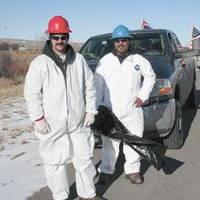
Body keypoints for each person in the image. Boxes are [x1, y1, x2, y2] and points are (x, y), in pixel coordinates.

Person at [24, 16, 100, 200]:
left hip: (78, 121)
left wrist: (91, 109)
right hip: (52, 123)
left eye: (63, 37)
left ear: (68, 37)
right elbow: (31, 92)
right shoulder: (40, 63)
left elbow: (89, 86)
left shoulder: (79, 60)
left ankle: (88, 194)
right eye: (56, 37)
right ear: (49, 37)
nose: (59, 41)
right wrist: (38, 118)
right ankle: (60, 196)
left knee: (84, 160)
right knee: (54, 163)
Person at [94, 25, 156, 185]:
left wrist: (143, 96)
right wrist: (98, 106)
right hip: (110, 110)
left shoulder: (138, 60)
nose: (120, 43)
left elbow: (150, 77)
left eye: (124, 40)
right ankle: (106, 171)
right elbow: (98, 84)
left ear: (129, 41)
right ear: (113, 42)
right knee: (109, 144)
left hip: (132, 110)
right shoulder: (105, 61)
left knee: (133, 141)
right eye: (117, 40)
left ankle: (133, 171)